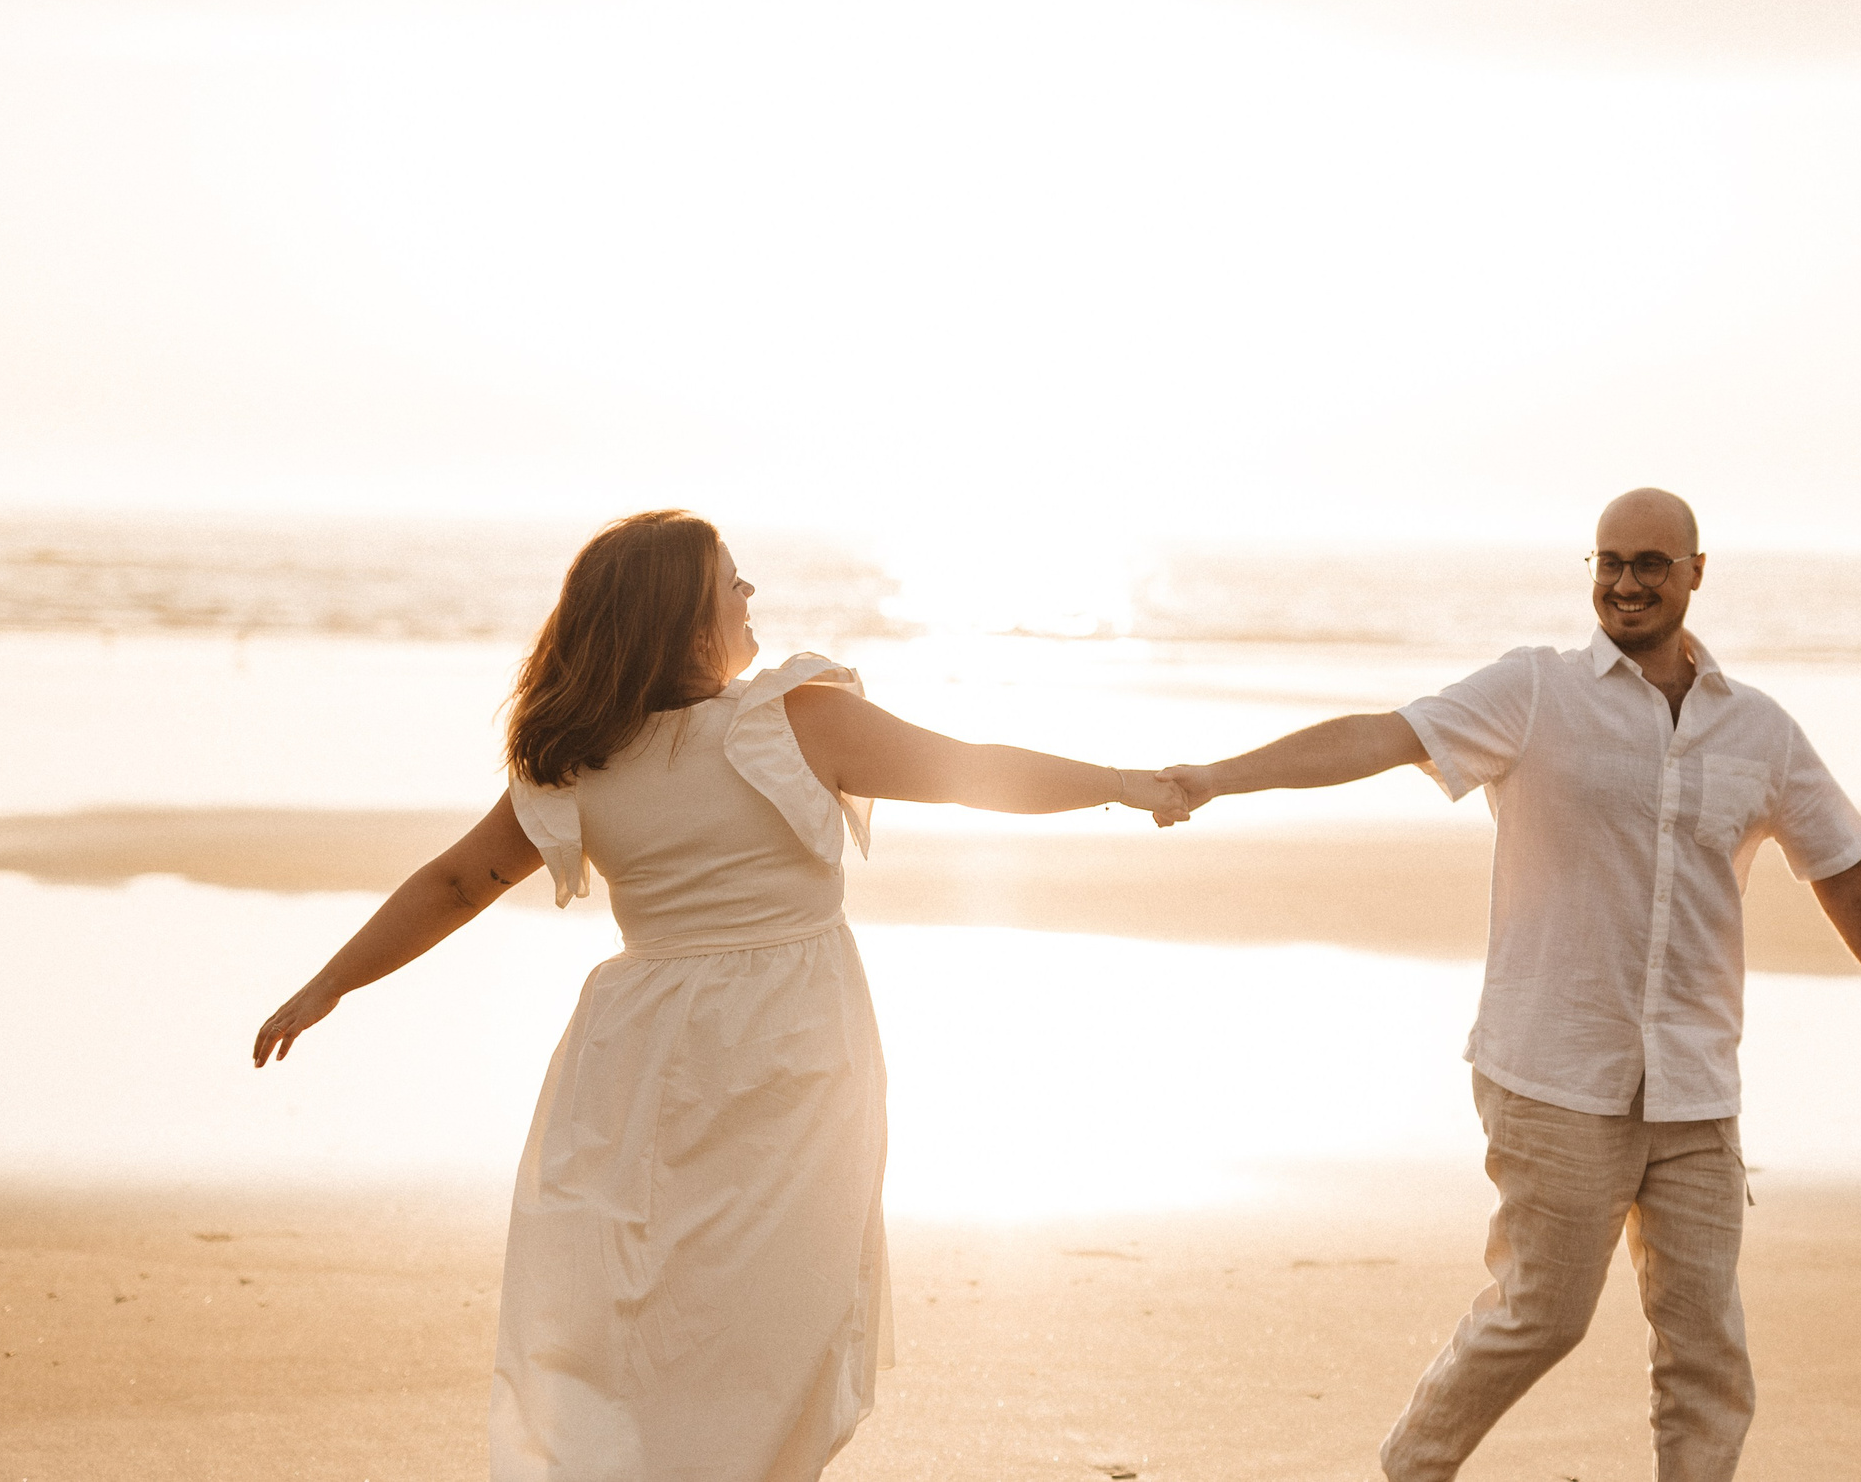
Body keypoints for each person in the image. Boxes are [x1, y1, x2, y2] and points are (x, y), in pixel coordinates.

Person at [252, 510, 1189, 1482]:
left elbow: (456, 884)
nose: (752, 599)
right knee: (772, 1316)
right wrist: (1128, 782)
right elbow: (973, 773)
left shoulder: (579, 752)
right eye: (732, 583)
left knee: (650, 1311)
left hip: (636, 1052)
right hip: (785, 1045)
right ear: (681, 616)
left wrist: (328, 986)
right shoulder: (790, 717)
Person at [1160, 488, 1861, 1482]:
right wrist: (1216, 776)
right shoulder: (1534, 692)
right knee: (1542, 1317)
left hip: (1695, 1089)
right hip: (1555, 1076)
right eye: (1608, 561)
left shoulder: (1760, 732)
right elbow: (1379, 737)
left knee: (1707, 1351)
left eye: (1650, 563)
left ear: (1696, 572)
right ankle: (1411, 1468)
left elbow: (1837, 866)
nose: (1625, 581)